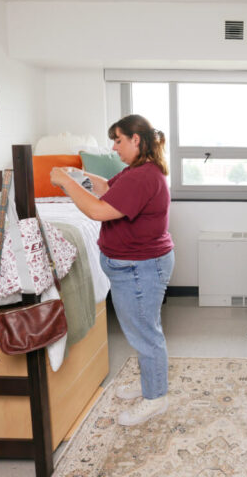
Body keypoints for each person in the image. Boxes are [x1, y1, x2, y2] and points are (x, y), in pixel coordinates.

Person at [50, 115, 174, 427]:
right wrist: (79, 176)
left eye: (118, 140)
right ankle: (151, 386)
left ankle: (156, 398)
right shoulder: (137, 171)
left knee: (146, 334)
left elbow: (97, 210)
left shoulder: (142, 177)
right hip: (136, 267)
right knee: (143, 329)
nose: (114, 147)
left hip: (139, 268)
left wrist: (65, 182)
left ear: (137, 140)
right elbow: (106, 187)